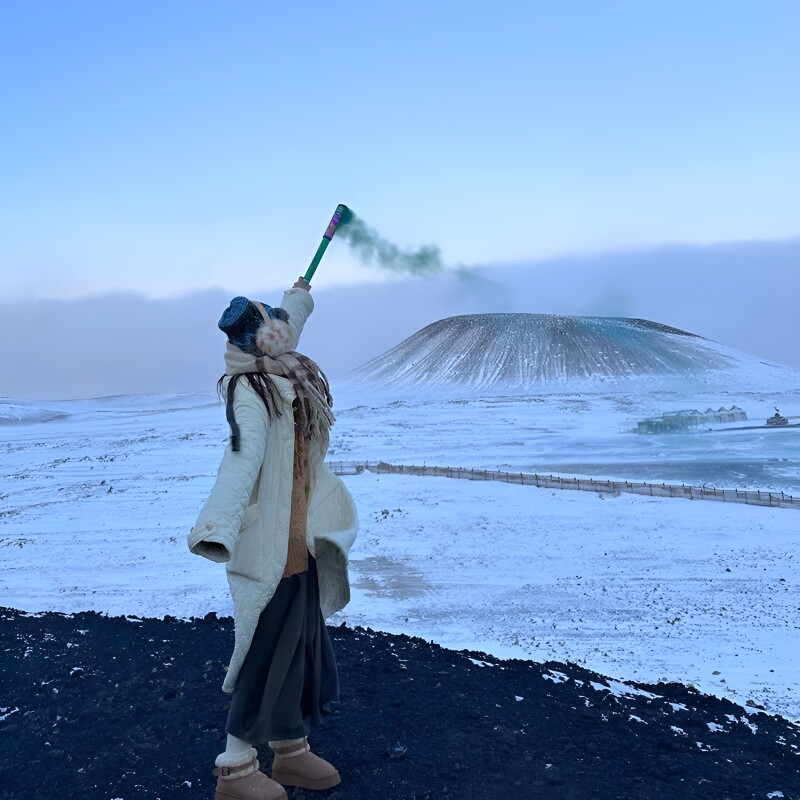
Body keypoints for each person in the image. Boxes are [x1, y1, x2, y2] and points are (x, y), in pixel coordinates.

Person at [188, 277, 358, 800]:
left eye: (275, 324)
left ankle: (290, 752)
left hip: (303, 540)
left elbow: (291, 322)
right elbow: (240, 459)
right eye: (268, 328)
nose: (279, 332)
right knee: (265, 653)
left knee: (304, 648)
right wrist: (215, 526)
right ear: (254, 343)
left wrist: (299, 294)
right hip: (271, 549)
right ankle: (235, 770)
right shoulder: (251, 390)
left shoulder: (284, 369)